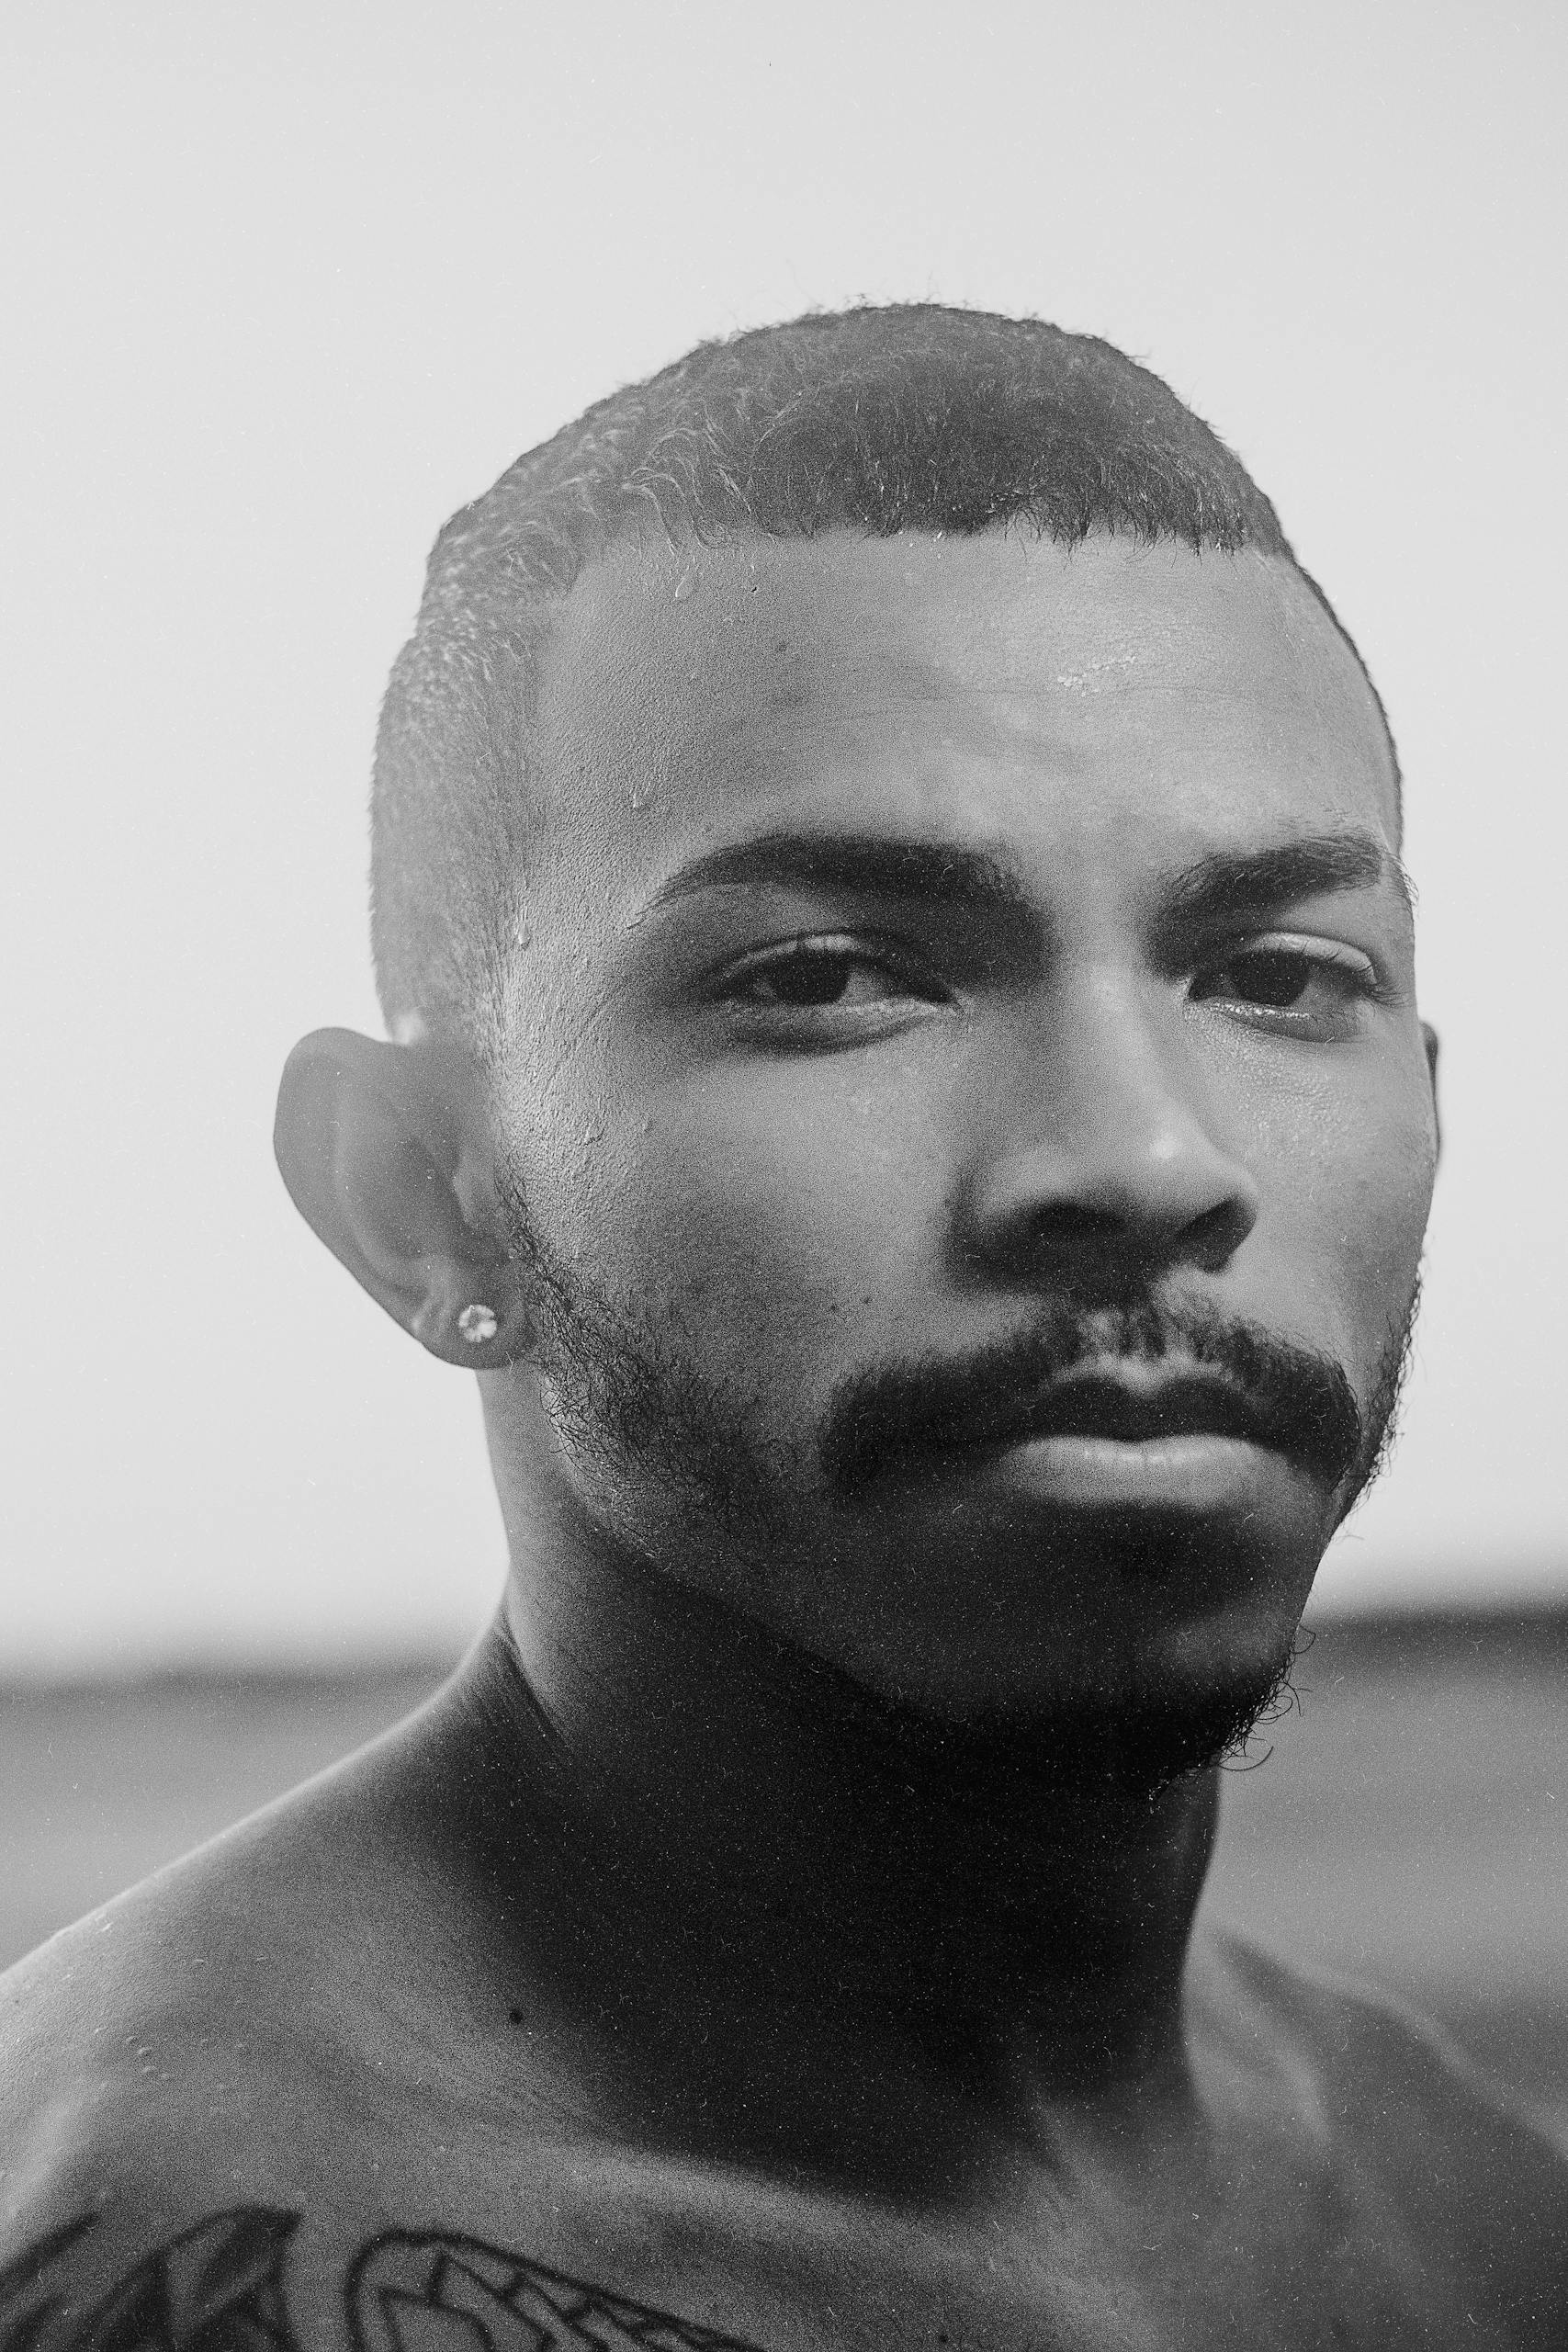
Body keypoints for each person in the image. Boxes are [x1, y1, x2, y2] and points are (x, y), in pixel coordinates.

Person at [2, 304, 1562, 2351]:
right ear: (417, 1191)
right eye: (834, 975)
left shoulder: (1461, 2188)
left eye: (1274, 971)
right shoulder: (167, 2256)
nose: (1142, 1153)